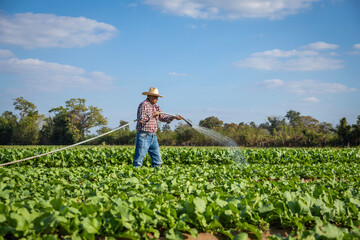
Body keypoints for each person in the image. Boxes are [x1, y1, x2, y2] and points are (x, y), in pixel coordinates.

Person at [133, 87, 182, 167]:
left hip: (153, 136)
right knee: (138, 161)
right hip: (144, 135)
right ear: (149, 96)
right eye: (154, 97)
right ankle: (135, 174)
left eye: (157, 97)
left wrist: (174, 117)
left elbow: (162, 117)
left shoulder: (156, 107)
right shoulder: (143, 105)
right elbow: (141, 119)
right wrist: (153, 115)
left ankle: (157, 175)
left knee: (157, 161)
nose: (156, 99)